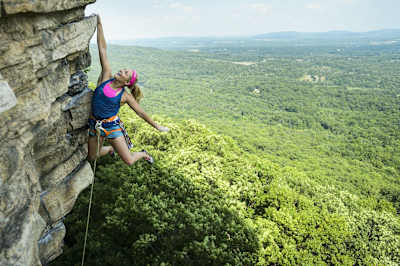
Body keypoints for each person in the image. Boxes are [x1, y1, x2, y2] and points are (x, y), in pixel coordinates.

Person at [87, 14, 169, 165]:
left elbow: (141, 112)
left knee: (129, 161)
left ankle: (143, 154)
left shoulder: (124, 96)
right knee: (92, 156)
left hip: (111, 127)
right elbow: (103, 50)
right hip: (94, 124)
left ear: (126, 82)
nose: (122, 71)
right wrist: (99, 25)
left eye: (126, 73)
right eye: (124, 69)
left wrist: (157, 126)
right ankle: (111, 150)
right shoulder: (106, 77)